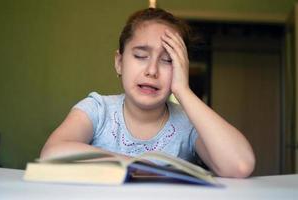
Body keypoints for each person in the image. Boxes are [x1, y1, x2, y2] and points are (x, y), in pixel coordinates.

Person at [40, 7, 255, 178]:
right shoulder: (97, 109)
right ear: (119, 63)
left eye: (168, 61)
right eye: (141, 56)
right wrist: (138, 165)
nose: (152, 71)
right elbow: (51, 154)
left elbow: (240, 165)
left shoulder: (188, 124)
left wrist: (183, 90)